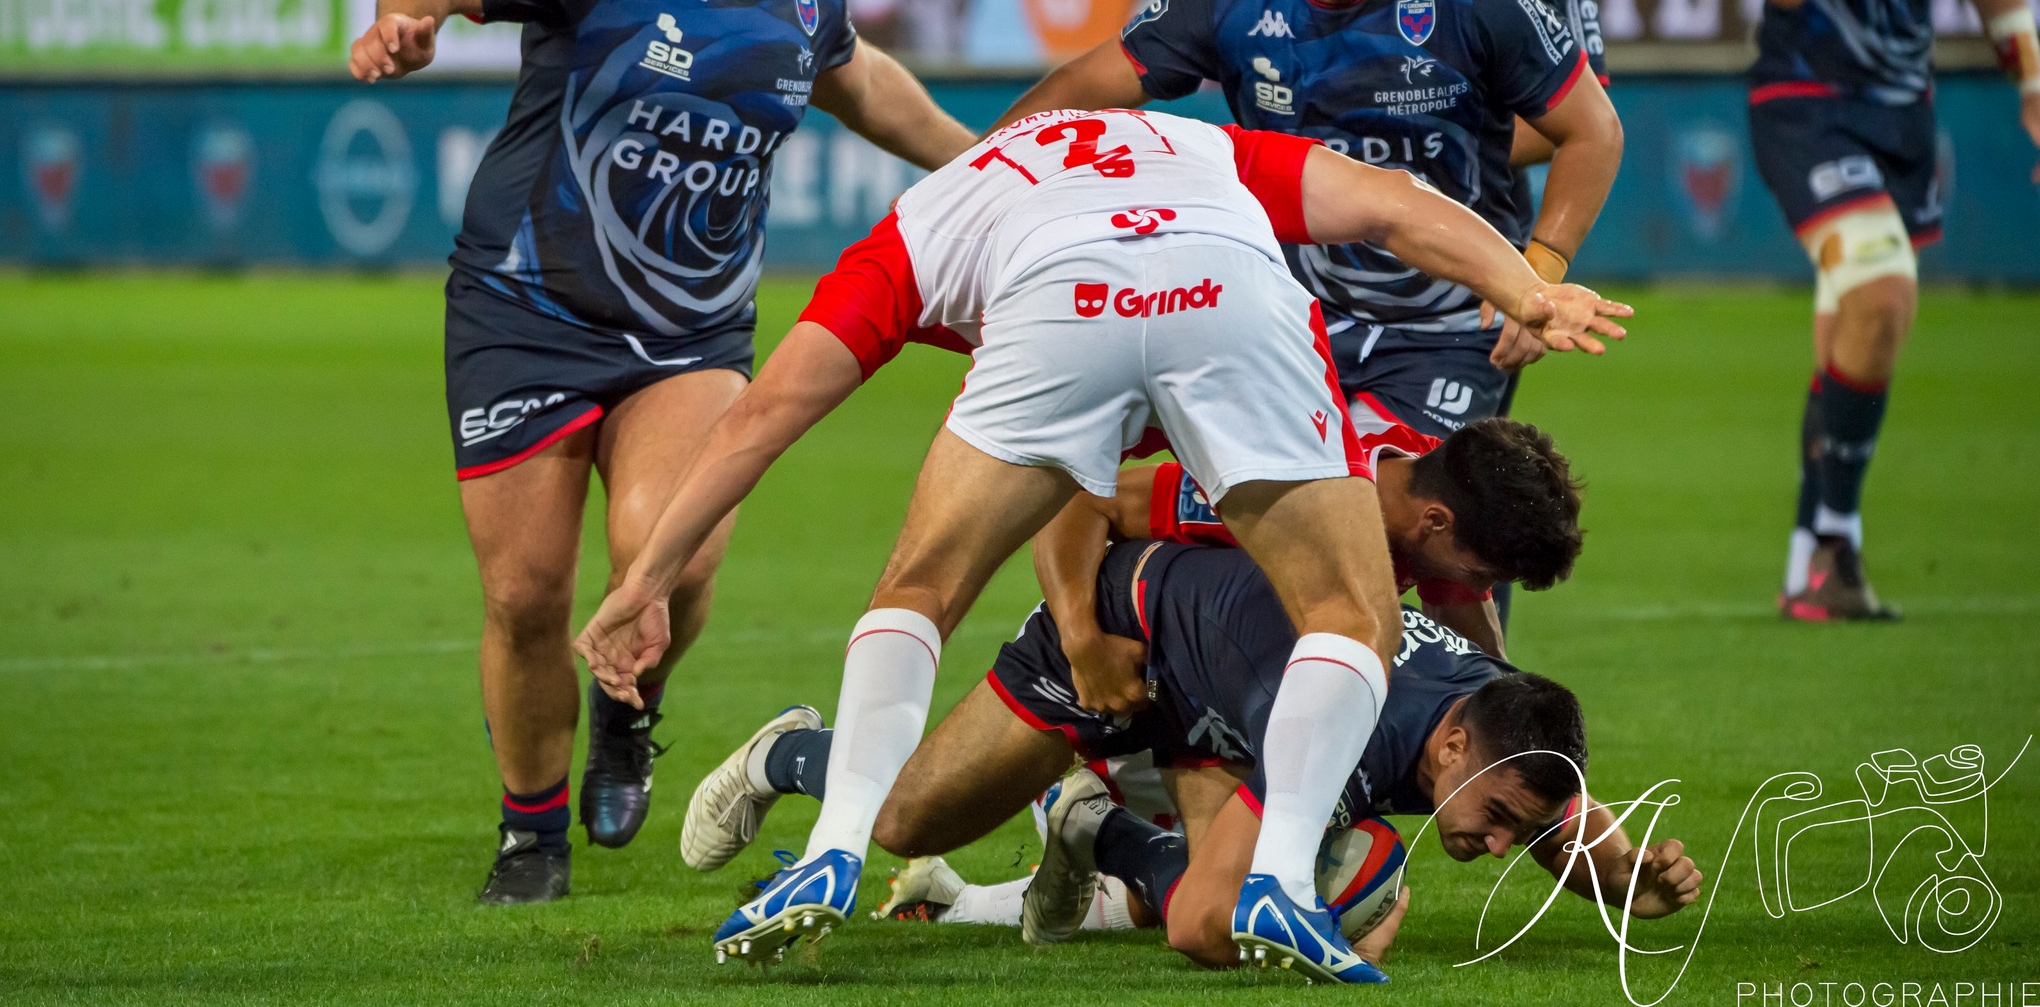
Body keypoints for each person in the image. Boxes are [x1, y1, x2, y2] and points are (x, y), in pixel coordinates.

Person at [573, 105, 1630, 981]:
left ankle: (833, 849)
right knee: (1353, 617)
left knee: (921, 584)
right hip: (1220, 321)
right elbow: (1395, 206)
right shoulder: (1207, 151)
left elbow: (762, 415)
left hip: (1059, 319)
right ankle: (1280, 891)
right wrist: (1524, 288)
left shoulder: (928, 221)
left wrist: (643, 580)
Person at [344, 0, 976, 905]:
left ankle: (626, 712)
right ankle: (530, 836)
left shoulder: (808, 0)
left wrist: (993, 170)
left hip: (687, 338)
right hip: (522, 311)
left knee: (667, 557)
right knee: (525, 593)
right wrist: (411, 13)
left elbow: (873, 89)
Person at [679, 543, 1701, 975]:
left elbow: (1559, 805)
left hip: (1227, 702)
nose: (1497, 842)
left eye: (1517, 829)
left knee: (1246, 867)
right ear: (1446, 742)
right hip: (1127, 639)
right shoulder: (1364, 729)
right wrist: (1325, 938)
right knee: (905, 819)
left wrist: (1621, 881)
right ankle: (792, 752)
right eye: (1502, 818)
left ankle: (1091, 825)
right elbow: (1208, 927)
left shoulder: (1491, 725)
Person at [990, 0, 1622, 450]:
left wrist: (1537, 271)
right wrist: (975, 196)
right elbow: (1076, 90)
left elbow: (1595, 130)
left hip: (1451, 330)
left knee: (1390, 511)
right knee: (1073, 444)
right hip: (1290, 320)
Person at [1742, 0, 2040, 621]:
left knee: (1855, 328)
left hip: (1902, 114)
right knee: (1881, 292)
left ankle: (1811, 569)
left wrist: (2031, 78)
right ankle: (1837, 540)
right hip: (1805, 102)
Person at [1385, 0, 1615, 630]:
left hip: (1471, 276)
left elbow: (1580, 115)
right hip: (1333, 268)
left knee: (1456, 500)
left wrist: (1414, 139)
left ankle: (1470, 718)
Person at [1036, 415, 1582, 678]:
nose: (1474, 587)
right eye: (1479, 571)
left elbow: (1484, 678)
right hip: (1119, 665)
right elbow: (1084, 500)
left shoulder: (1432, 485)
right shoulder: (1285, 491)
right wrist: (1083, 644)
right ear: (1435, 524)